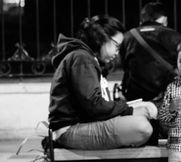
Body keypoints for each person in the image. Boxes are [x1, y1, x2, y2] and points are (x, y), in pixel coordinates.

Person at [48, 15, 157, 150]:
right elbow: (94, 106)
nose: (117, 53)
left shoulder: (87, 58)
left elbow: (96, 105)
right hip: (69, 130)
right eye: (116, 46)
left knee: (148, 109)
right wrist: (129, 110)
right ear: (102, 38)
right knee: (141, 126)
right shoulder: (81, 58)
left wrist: (133, 107)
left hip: (82, 125)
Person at [119, 2, 181, 102]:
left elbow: (125, 66)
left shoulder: (128, 36)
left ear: (142, 18)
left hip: (135, 96)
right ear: (164, 18)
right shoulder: (173, 35)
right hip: (165, 95)